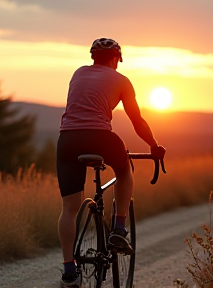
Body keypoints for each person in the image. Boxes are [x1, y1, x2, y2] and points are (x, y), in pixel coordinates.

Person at [57, 37, 166, 287]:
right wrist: (153, 146)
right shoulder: (122, 80)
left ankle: (69, 271)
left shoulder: (78, 73)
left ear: (93, 56)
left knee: (69, 208)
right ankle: (118, 228)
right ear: (117, 59)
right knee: (125, 170)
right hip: (100, 137)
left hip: (67, 140)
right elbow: (137, 121)